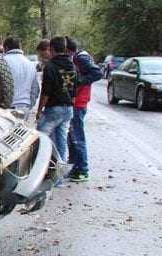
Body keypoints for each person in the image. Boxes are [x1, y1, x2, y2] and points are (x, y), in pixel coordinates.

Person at [35, 36, 77, 173]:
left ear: (51, 49)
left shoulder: (50, 66)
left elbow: (46, 91)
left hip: (54, 109)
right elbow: (73, 88)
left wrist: (39, 110)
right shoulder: (71, 65)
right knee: (61, 143)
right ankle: (58, 177)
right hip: (68, 108)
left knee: (40, 140)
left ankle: (37, 172)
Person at [64, 37, 103, 183]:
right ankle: (76, 166)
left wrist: (78, 82)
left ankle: (83, 170)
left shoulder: (82, 58)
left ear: (68, 50)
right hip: (76, 102)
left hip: (79, 103)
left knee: (77, 137)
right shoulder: (78, 58)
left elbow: (97, 73)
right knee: (72, 135)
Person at [2, 37, 40, 121]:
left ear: (6, 48)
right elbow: (35, 89)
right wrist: (29, 105)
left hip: (6, 108)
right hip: (24, 107)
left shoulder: (3, 62)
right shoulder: (30, 64)